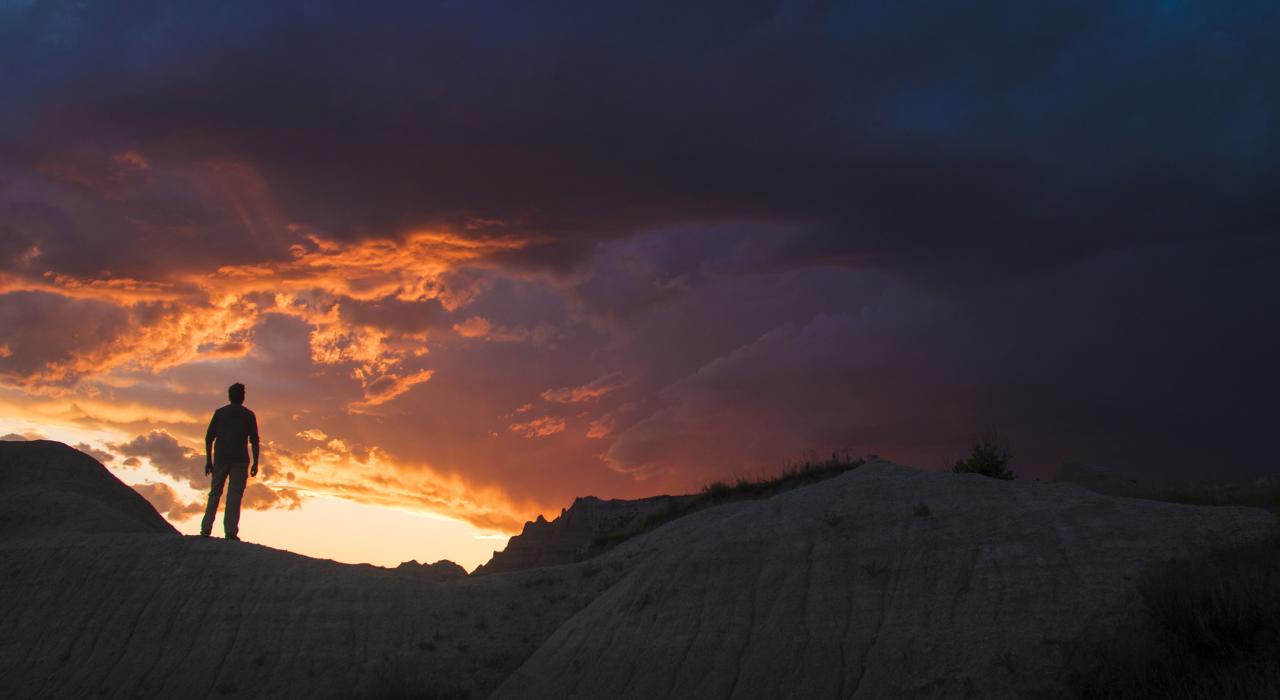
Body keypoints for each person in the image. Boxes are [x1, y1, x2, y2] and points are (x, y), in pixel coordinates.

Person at [201, 382, 260, 540]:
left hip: (221, 458)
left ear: (229, 396)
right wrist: (256, 462)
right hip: (239, 460)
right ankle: (230, 531)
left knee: (215, 493)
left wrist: (209, 460)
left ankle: (206, 529)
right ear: (242, 397)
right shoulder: (248, 415)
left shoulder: (220, 413)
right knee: (234, 496)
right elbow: (254, 441)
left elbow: (209, 438)